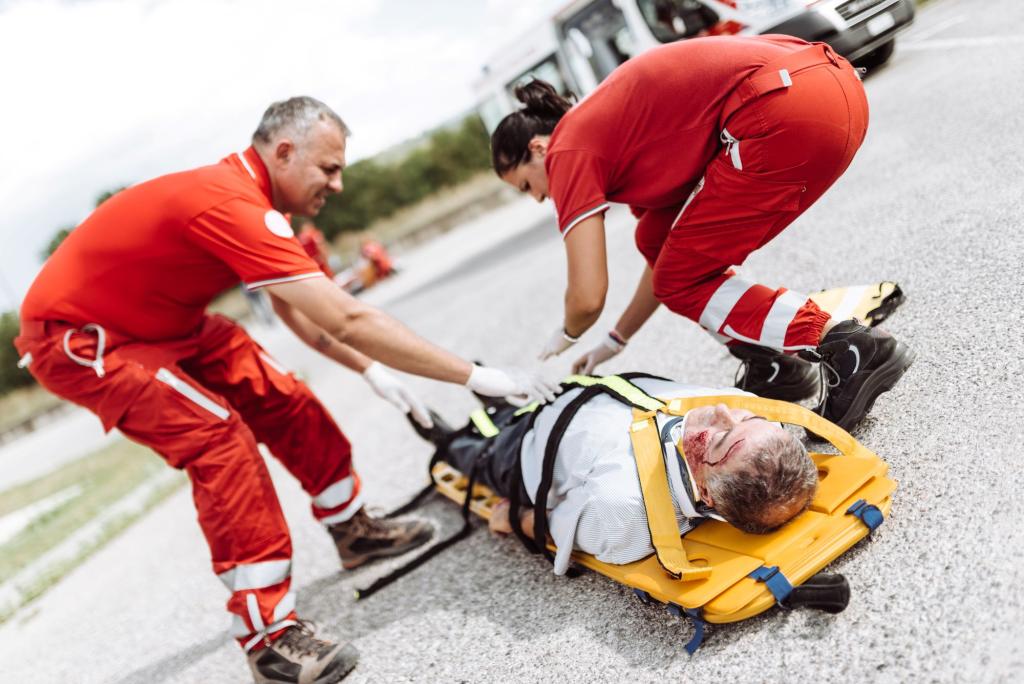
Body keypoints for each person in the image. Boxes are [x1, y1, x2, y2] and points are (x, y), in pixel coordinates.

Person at [14, 96, 556, 684]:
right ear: (285, 151)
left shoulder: (255, 204)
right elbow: (348, 318)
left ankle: (354, 531)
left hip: (169, 323)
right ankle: (267, 636)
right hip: (85, 339)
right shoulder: (230, 204)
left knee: (285, 400)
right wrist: (474, 376)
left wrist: (370, 372)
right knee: (219, 442)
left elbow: (305, 317)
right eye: (328, 168)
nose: (339, 184)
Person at [490, 34, 915, 431]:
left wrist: (566, 334)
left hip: (781, 110)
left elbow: (587, 297)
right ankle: (775, 368)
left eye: (527, 185)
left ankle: (847, 346)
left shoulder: (567, 147)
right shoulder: (614, 134)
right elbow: (663, 262)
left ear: (538, 149)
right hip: (830, 90)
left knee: (681, 277)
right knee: (661, 248)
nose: (539, 199)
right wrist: (615, 341)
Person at [419, 374, 817, 575]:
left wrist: (514, 519)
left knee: (479, 448)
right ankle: (500, 397)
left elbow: (554, 524)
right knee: (512, 402)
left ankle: (448, 439)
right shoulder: (741, 407)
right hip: (577, 397)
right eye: (750, 419)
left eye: (720, 438)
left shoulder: (627, 509)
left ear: (707, 495)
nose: (723, 411)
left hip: (523, 452)